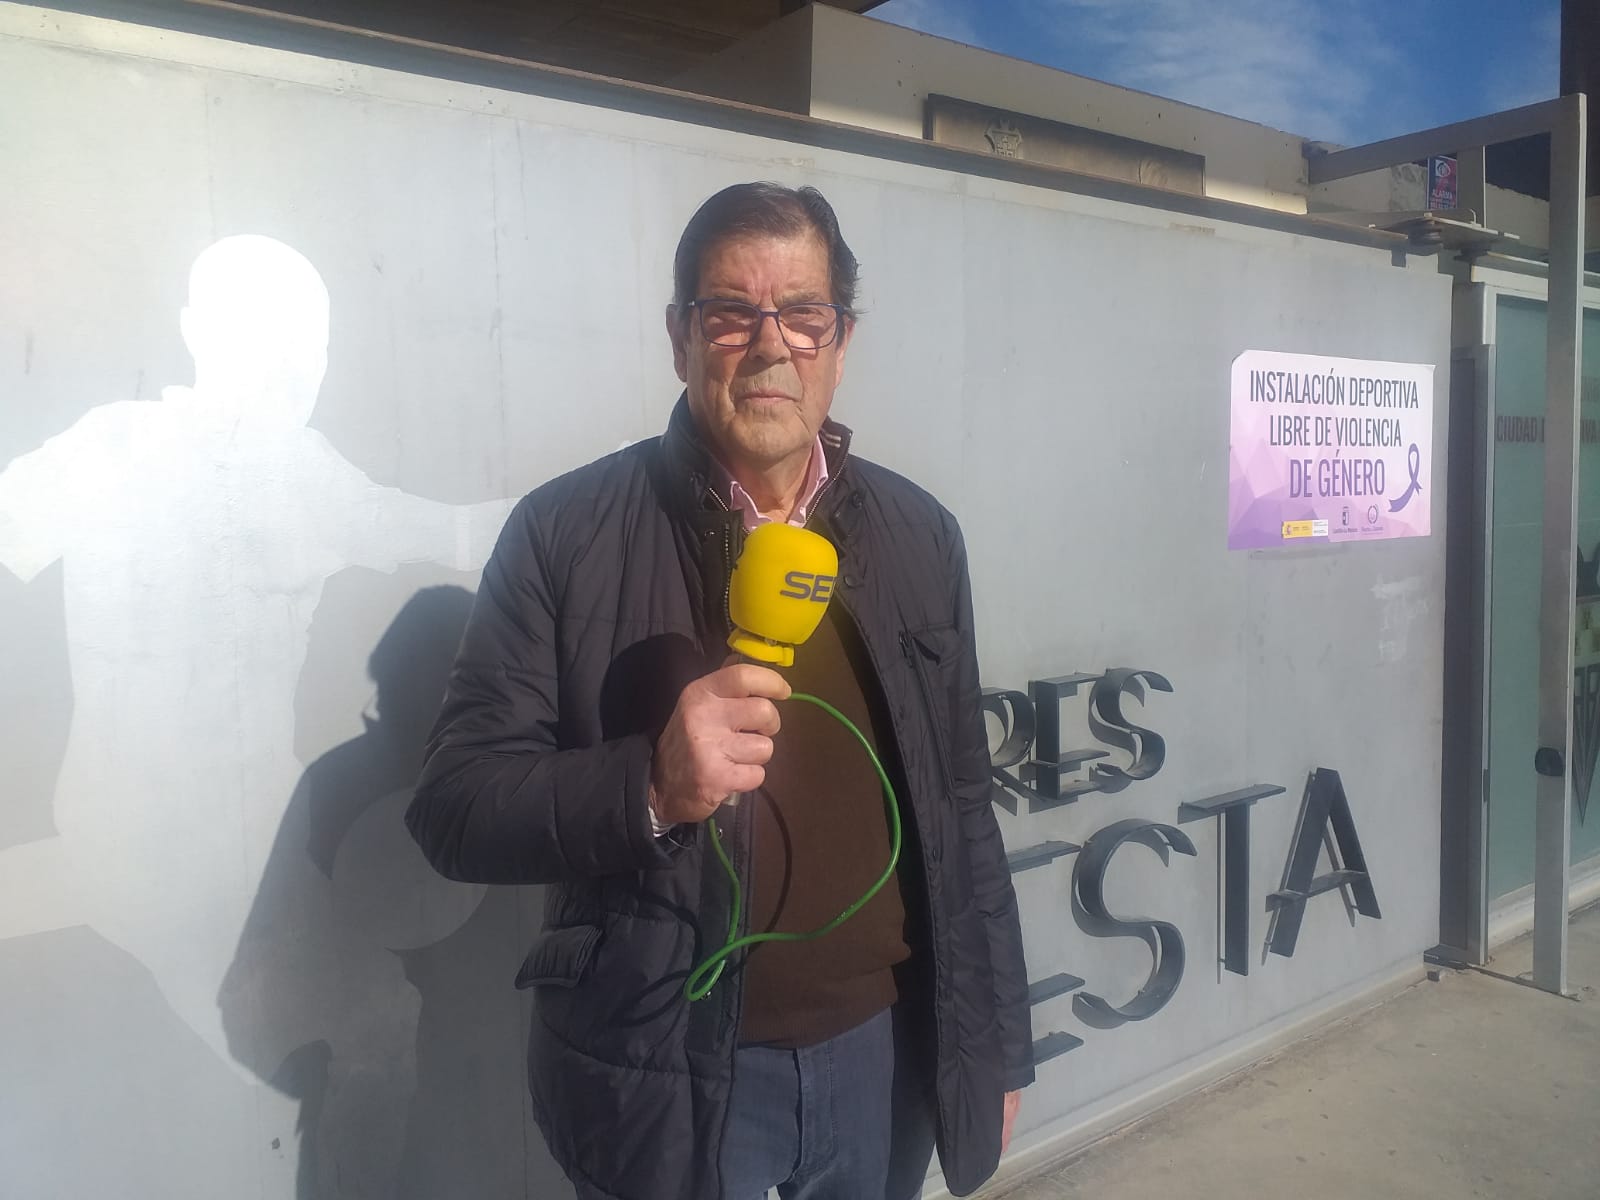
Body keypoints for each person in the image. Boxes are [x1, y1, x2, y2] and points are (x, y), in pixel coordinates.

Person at [407, 182, 1032, 1200]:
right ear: (679, 337)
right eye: (730, 312)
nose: (770, 344)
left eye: (804, 314)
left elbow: (964, 809)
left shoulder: (922, 535)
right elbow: (454, 806)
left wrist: (995, 1044)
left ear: (840, 339)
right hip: (666, 1070)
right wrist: (646, 788)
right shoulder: (564, 533)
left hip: (884, 1055)